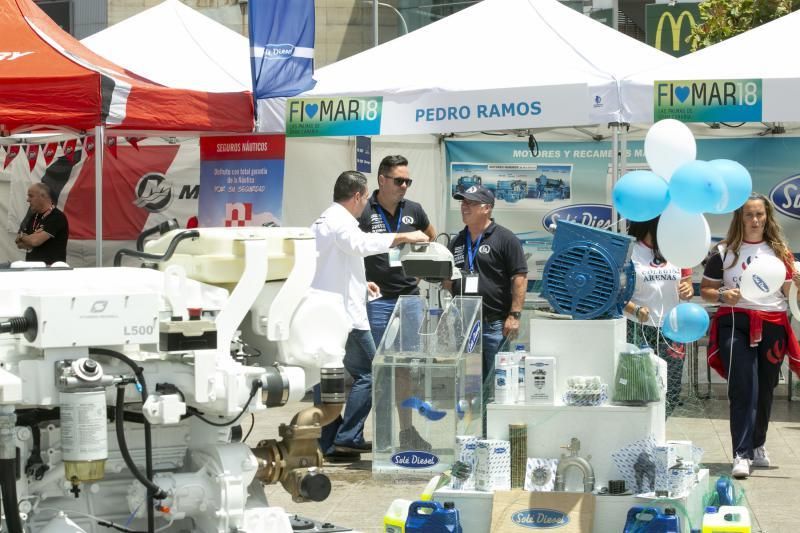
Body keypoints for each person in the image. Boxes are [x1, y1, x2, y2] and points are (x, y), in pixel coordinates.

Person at [311, 170, 429, 462]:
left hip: (332, 312)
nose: (365, 204)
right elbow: (359, 245)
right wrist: (402, 236)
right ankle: (347, 436)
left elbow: (332, 264)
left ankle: (330, 441)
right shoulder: (340, 222)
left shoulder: (325, 220)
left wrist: (362, 284)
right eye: (364, 199)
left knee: (330, 376)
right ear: (357, 196)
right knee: (374, 372)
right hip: (346, 317)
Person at [700, 193, 800, 479]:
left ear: (767, 217)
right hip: (736, 322)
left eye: (759, 215)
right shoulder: (723, 252)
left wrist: (798, 285)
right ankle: (741, 454)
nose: (755, 220)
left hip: (773, 324)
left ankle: (758, 445)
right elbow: (706, 290)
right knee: (743, 386)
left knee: (766, 388)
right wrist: (722, 294)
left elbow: (790, 295)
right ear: (739, 218)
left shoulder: (781, 253)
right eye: (748, 215)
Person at [357, 155, 437, 451]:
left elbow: (431, 237)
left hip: (409, 300)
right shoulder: (365, 210)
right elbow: (349, 247)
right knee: (380, 369)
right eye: (399, 180)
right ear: (382, 180)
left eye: (408, 181)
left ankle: (406, 432)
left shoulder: (413, 209)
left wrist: (419, 275)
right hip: (377, 300)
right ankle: (381, 436)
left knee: (405, 368)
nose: (404, 186)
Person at [446, 185, 527, 386]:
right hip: (464, 325)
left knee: (498, 383)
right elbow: (448, 279)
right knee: (468, 385)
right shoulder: (457, 241)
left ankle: (494, 419)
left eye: (471, 203)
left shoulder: (505, 238)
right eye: (463, 202)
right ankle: (474, 419)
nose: (465, 207)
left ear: (487, 208)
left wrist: (514, 315)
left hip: (494, 325)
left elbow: (519, 277)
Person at [623, 217, 694, 417]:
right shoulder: (630, 250)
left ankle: (658, 435)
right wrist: (633, 309)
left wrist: (687, 290)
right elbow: (614, 293)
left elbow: (686, 284)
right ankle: (639, 438)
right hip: (637, 328)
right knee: (638, 389)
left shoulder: (676, 250)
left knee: (670, 389)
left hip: (672, 330)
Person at [15, 183, 68, 265]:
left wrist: (27, 238)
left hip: (51, 270)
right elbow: (19, 243)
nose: (28, 200)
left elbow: (35, 241)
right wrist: (25, 237)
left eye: (31, 196)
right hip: (33, 268)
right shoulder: (33, 216)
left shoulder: (57, 216)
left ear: (43, 196)